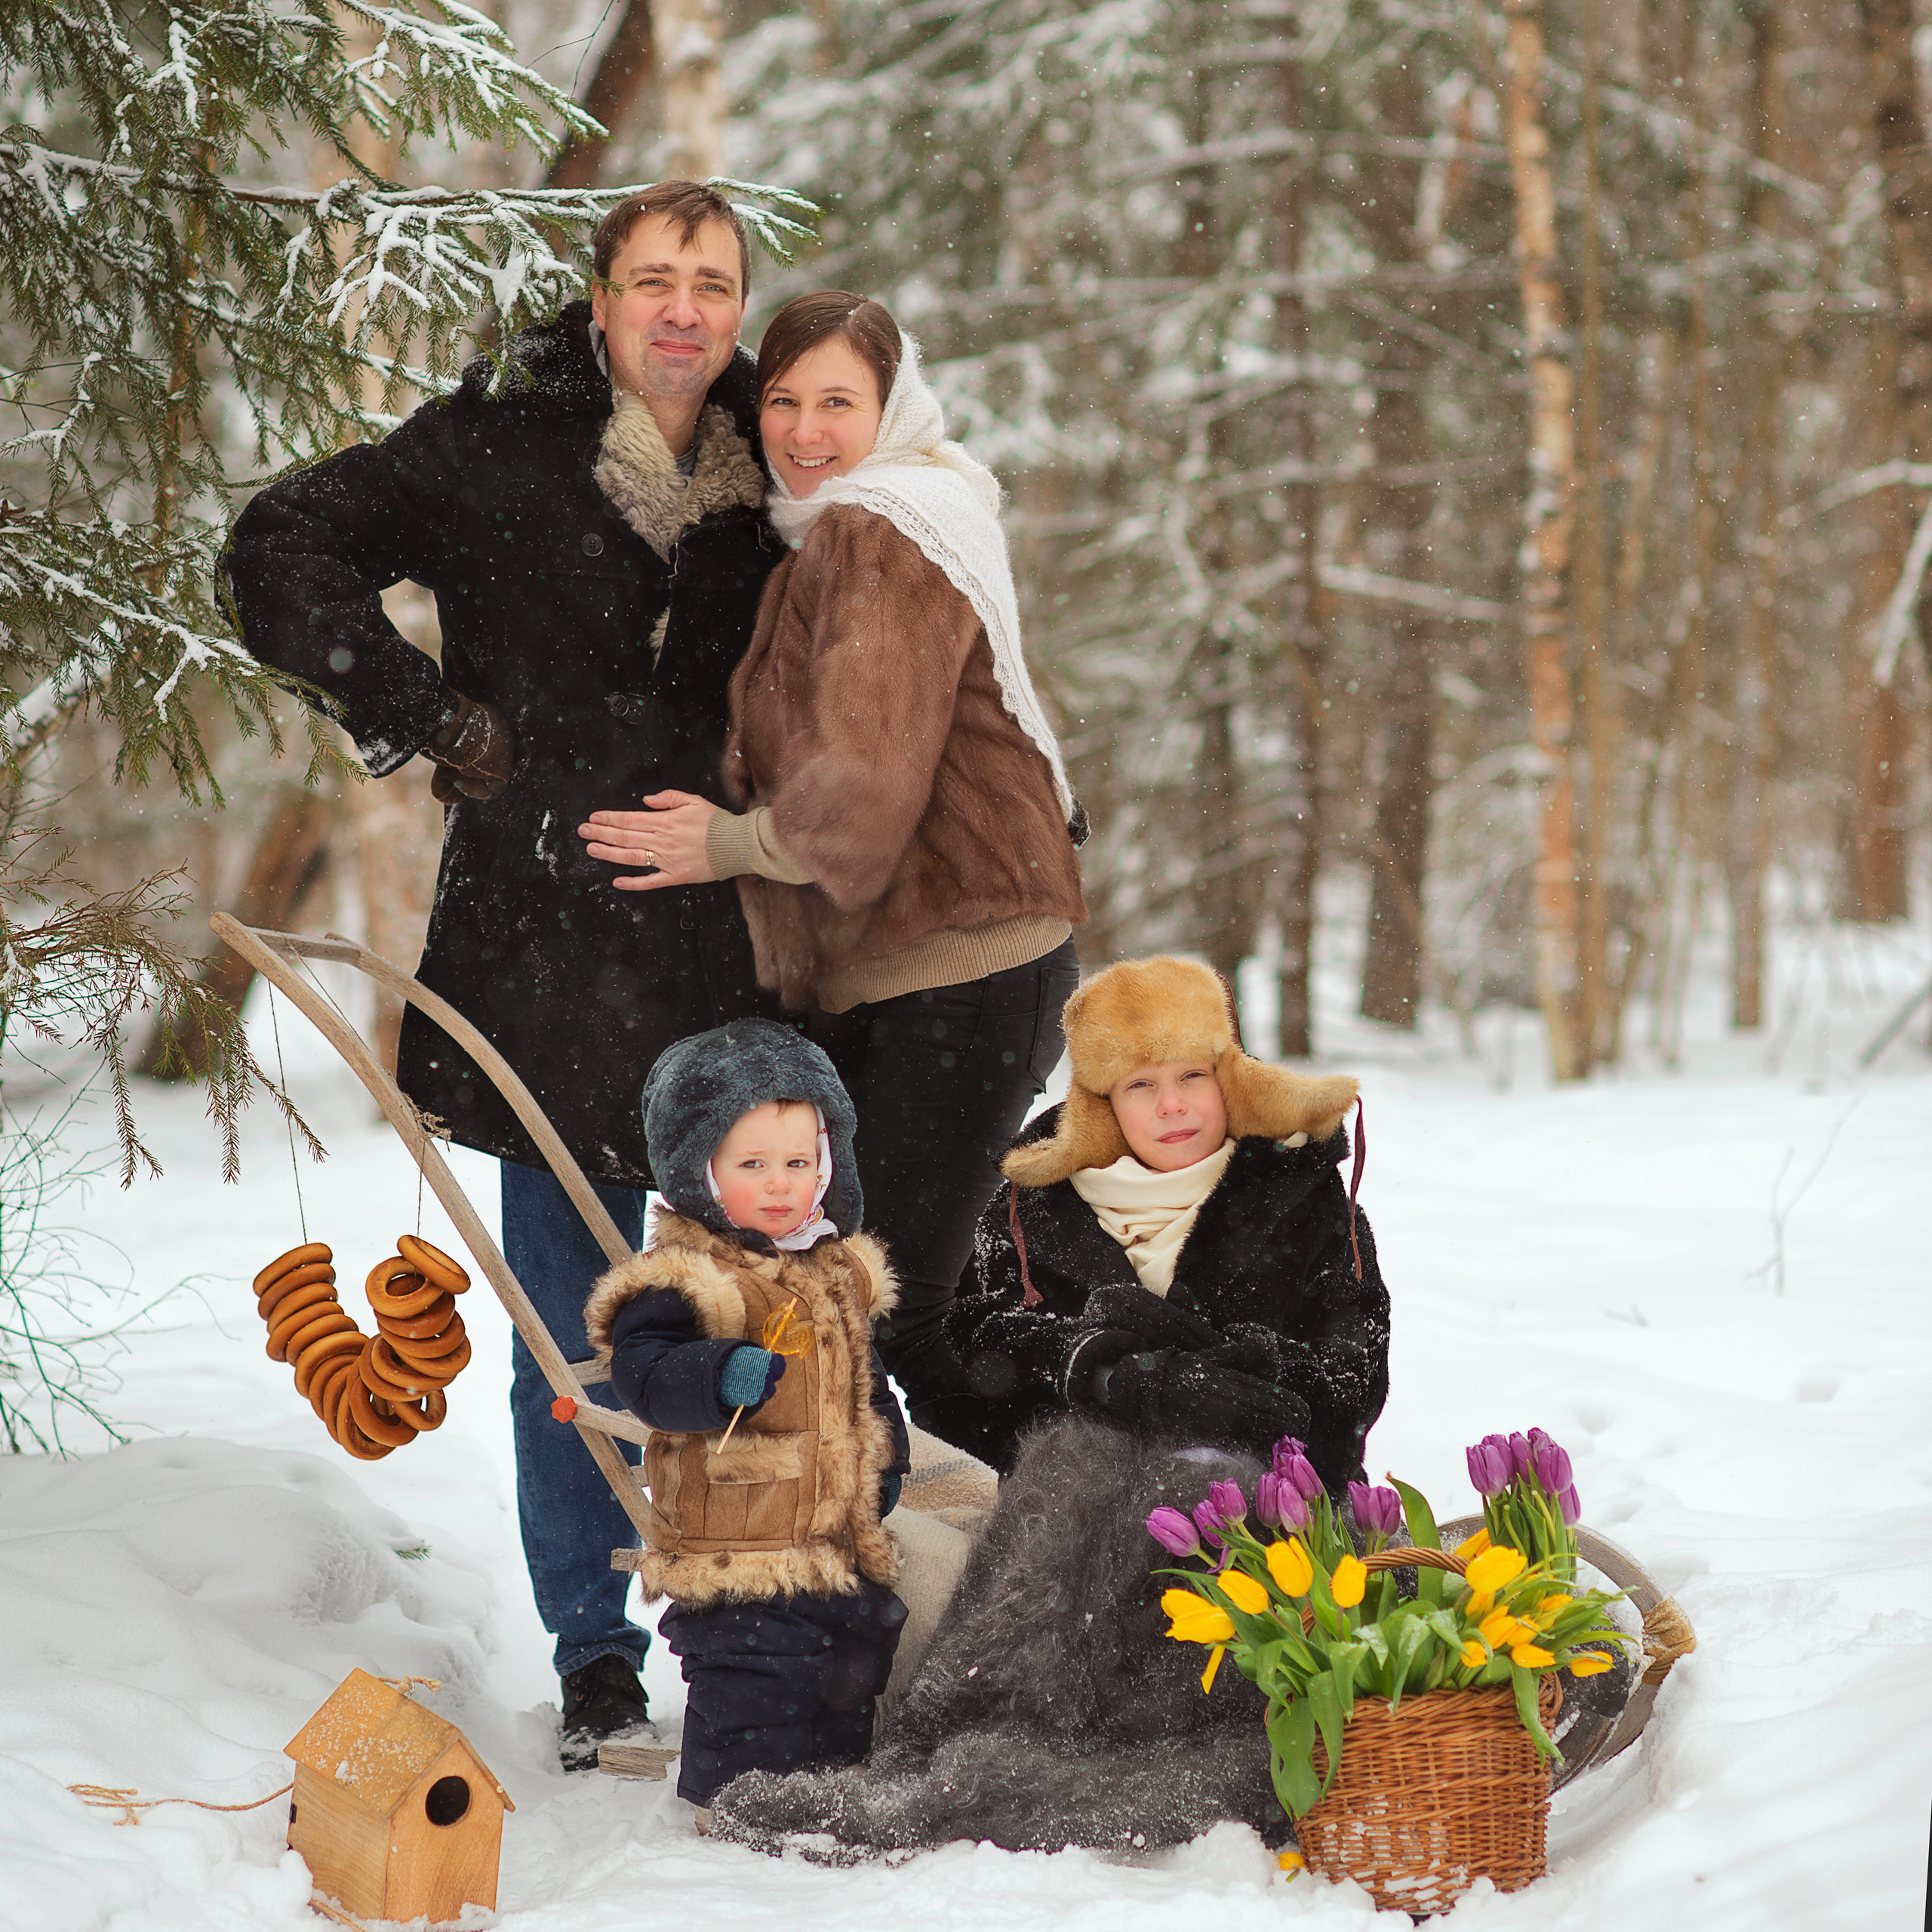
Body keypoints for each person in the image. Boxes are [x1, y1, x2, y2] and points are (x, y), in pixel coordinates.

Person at [221, 180, 783, 1765]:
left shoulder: (788, 459)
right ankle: (596, 1648)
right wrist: (422, 709)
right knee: (576, 1330)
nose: (684, 310)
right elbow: (281, 540)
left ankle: (767, 1623)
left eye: (714, 282)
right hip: (542, 946)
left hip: (742, 952)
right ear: (600, 300)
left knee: (765, 1315)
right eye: (653, 278)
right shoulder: (493, 442)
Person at [577, 291, 1087, 1438]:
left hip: (958, 976)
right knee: (898, 1298)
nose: (807, 432)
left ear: (892, 409)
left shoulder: (880, 528)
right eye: (784, 402)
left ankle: (1112, 1544)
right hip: (934, 977)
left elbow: (860, 782)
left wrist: (728, 843)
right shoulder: (862, 527)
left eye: (839, 403)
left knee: (902, 1312)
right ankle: (1004, 1537)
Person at [584, 1019, 910, 1811]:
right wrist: (716, 1371)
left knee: (848, 1669)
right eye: (752, 1164)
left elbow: (862, 1384)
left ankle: (831, 1796)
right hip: (739, 1543)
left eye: (798, 1163)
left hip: (834, 1540)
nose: (778, 1184)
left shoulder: (835, 1273)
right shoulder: (687, 1277)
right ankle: (731, 1812)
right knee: (755, 1682)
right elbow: (645, 1371)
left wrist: (885, 1457)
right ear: (701, 1171)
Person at [940, 955, 1389, 1491]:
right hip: (1079, 1511)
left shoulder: (1305, 1198)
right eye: (1140, 1085)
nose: (1172, 1104)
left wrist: (1245, 1374)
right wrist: (1105, 1372)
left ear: (1230, 1080)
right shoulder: (1032, 1209)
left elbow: (1354, 1381)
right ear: (1102, 1106)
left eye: (1192, 1075)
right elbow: (982, 1348)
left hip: (1282, 1510)